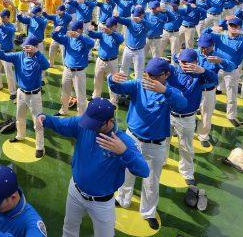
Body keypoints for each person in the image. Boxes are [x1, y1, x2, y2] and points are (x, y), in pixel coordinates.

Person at [37, 98, 149, 237]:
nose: (90, 127)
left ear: (109, 122)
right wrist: (44, 118)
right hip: (75, 192)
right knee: (69, 228)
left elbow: (144, 171)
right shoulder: (85, 124)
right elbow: (62, 124)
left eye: (95, 125)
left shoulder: (123, 142)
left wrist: (123, 152)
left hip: (102, 202)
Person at [107, 58, 188, 230]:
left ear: (166, 75)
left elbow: (182, 105)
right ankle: (123, 199)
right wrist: (111, 79)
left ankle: (148, 212)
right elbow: (118, 87)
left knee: (151, 181)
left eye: (154, 76)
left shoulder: (171, 92)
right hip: (133, 139)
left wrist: (165, 91)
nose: (149, 78)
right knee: (127, 173)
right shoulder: (138, 85)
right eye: (148, 74)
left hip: (155, 144)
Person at [167, 49, 217, 185]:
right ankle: (161, 162)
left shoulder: (199, 76)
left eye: (188, 62)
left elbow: (214, 79)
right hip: (169, 114)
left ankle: (187, 172)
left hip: (187, 118)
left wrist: (203, 70)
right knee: (163, 141)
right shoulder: (173, 71)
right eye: (182, 61)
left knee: (186, 147)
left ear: (195, 62)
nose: (184, 64)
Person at [0, 36, 50, 158]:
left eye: (29, 46)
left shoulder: (38, 58)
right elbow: (4, 56)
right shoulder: (19, 55)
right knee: (20, 117)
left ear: (35, 47)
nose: (26, 48)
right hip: (21, 93)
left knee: (38, 122)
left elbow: (46, 66)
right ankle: (20, 135)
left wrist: (37, 52)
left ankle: (40, 146)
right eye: (25, 45)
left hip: (34, 95)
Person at [203, 17, 243, 125]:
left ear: (240, 27)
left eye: (235, 26)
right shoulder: (220, 37)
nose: (232, 27)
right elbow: (204, 34)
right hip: (216, 68)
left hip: (231, 71)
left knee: (231, 95)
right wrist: (213, 28)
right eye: (231, 25)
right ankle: (202, 108)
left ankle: (231, 115)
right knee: (208, 90)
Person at [194, 34, 235, 147]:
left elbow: (231, 66)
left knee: (207, 113)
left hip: (208, 90)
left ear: (213, 46)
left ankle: (203, 135)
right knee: (188, 110)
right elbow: (177, 57)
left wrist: (220, 61)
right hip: (193, 89)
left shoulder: (217, 56)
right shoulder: (194, 53)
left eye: (206, 47)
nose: (203, 49)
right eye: (201, 47)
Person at [51, 20, 94, 115]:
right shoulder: (68, 39)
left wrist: (79, 36)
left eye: (75, 30)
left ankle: (82, 116)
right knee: (65, 93)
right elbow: (55, 37)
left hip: (79, 72)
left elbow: (91, 44)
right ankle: (63, 110)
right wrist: (55, 31)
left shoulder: (85, 40)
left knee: (80, 96)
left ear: (80, 30)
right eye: (72, 30)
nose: (72, 32)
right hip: (67, 69)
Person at [88, 17, 124, 106]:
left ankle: (113, 100)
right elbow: (92, 35)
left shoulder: (117, 36)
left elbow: (121, 40)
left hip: (112, 62)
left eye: (110, 26)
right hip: (100, 60)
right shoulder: (102, 34)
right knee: (97, 79)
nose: (107, 28)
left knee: (113, 82)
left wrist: (111, 33)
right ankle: (95, 96)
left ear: (115, 26)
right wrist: (90, 30)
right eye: (107, 26)